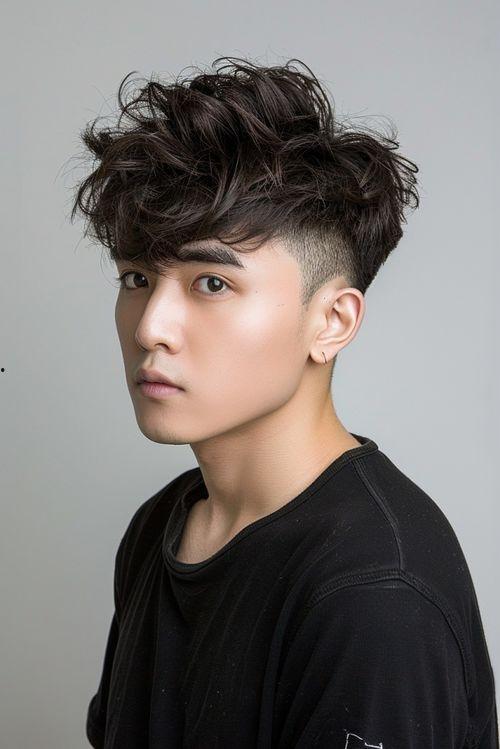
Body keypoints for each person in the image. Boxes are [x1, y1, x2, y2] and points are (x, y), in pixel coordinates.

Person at [71, 56, 498, 748]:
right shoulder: (159, 527)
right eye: (137, 278)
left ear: (331, 322)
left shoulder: (374, 592)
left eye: (211, 283)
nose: (150, 327)